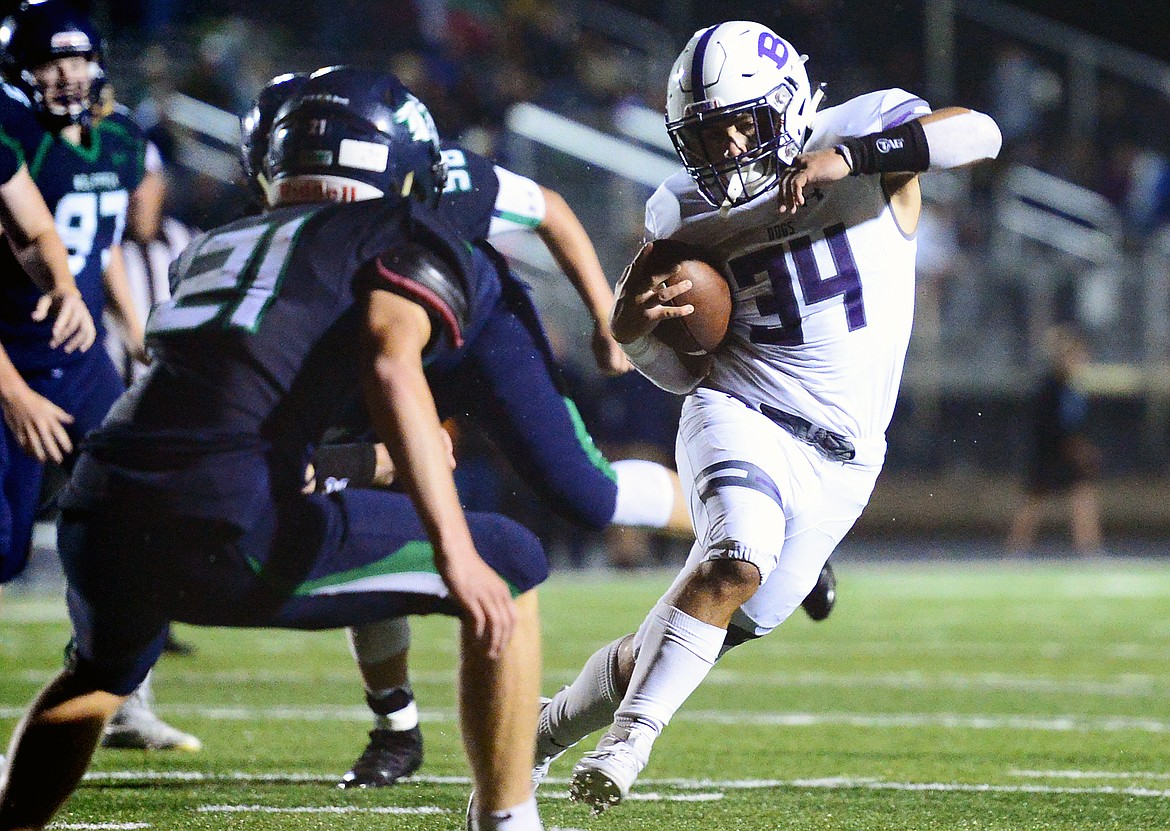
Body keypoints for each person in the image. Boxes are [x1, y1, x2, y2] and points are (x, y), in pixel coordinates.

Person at [0, 66, 547, 831]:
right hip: (220, 520)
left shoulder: (215, 248)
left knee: (97, 673)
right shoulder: (392, 236)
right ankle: (509, 824)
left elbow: (221, 410)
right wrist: (456, 551)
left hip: (102, 505)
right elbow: (392, 370)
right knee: (508, 559)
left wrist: (349, 463)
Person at [242, 69, 767, 792]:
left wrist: (601, 316)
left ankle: (749, 532)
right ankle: (394, 725)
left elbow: (548, 208)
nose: (321, 209)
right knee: (352, 499)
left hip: (473, 326)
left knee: (588, 494)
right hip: (368, 347)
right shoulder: (263, 244)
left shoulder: (445, 179)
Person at [530, 20, 1003, 812]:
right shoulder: (681, 209)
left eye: (741, 124)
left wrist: (849, 159)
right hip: (741, 406)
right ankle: (631, 743)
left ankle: (535, 734)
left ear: (785, 106)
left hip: (847, 458)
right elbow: (670, 365)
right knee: (735, 556)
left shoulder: (859, 129)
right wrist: (637, 328)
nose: (723, 152)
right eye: (705, 136)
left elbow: (980, 134)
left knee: (707, 621)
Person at [0, 0, 200, 752]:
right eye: (50, 62)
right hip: (11, 359)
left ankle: (123, 695)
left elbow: (105, 243)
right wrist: (15, 391)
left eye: (78, 60)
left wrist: (138, 328)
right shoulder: (13, 140)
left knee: (136, 515)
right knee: (2, 548)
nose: (67, 76)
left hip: (82, 361)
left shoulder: (118, 139)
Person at [1006, 325, 1102, 555]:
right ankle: (1016, 550)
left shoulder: (1073, 388)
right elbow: (1047, 425)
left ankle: (1089, 549)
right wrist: (1073, 446)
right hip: (1048, 453)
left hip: (1065, 453)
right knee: (1034, 502)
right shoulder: (1050, 388)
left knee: (1082, 497)